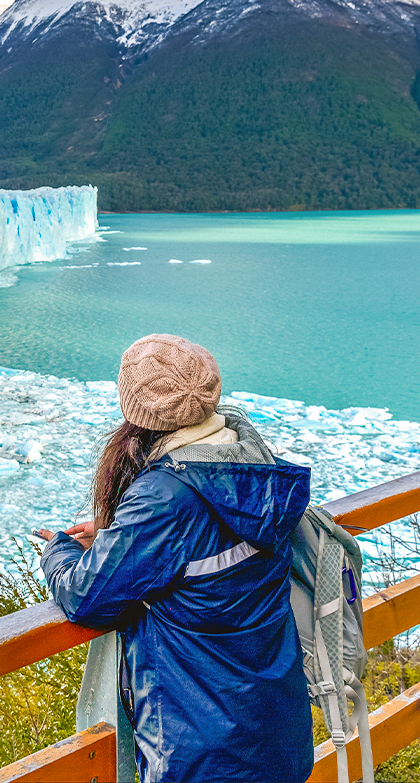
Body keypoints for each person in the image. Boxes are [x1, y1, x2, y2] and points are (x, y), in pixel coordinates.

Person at [35, 333, 314, 783]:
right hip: (277, 732)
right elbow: (207, 552)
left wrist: (59, 550)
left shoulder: (164, 495)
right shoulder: (255, 464)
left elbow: (87, 597)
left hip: (204, 749)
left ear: (138, 409)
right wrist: (118, 541)